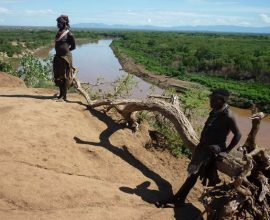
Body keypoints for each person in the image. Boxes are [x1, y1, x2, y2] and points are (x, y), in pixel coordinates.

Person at [156, 88, 242, 207]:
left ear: (221, 101)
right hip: (202, 147)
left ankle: (177, 199)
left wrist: (226, 151)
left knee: (193, 174)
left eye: (212, 99)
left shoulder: (228, 115)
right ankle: (179, 199)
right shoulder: (215, 111)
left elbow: (238, 135)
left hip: (213, 149)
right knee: (192, 173)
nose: (210, 101)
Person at [53, 15, 76, 101]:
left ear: (64, 23)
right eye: (57, 23)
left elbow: (73, 47)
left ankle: (64, 96)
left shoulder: (69, 33)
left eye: (59, 23)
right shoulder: (58, 33)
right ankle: (60, 94)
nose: (57, 24)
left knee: (65, 76)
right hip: (58, 57)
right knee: (58, 76)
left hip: (65, 58)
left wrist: (65, 51)